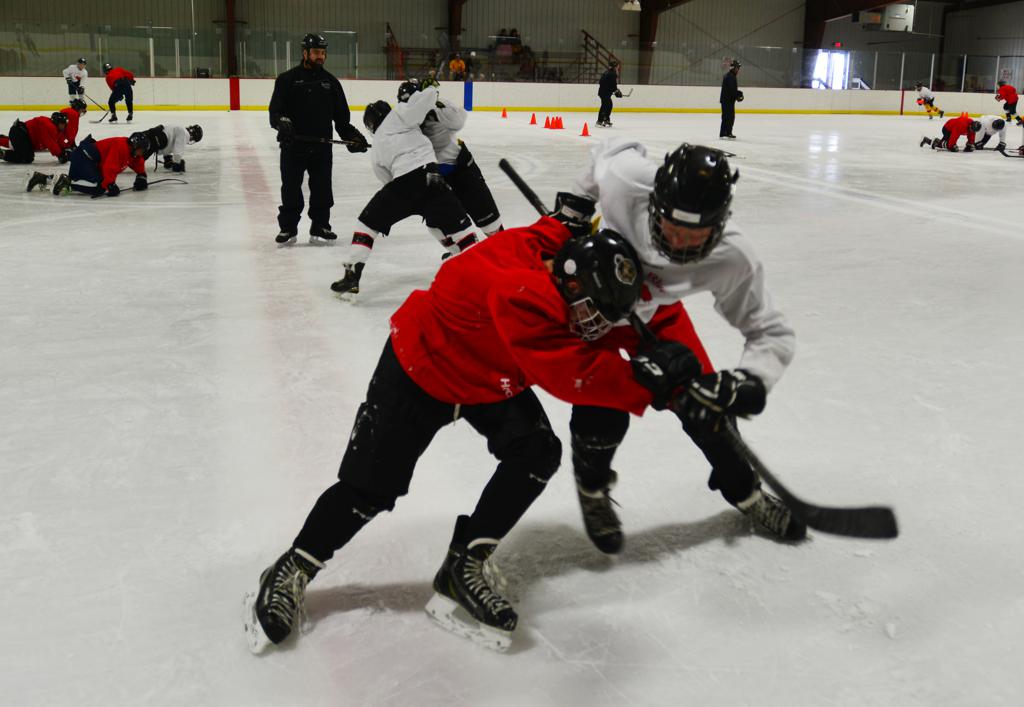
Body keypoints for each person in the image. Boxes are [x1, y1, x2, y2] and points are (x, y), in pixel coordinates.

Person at [244, 220, 650, 654]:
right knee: (367, 491)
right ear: (567, 280)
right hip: (421, 369)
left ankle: (464, 566)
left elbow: (543, 233)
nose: (594, 325)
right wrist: (653, 380)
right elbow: (574, 376)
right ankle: (293, 566)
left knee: (536, 452)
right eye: (591, 310)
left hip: (486, 378)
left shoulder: (549, 263)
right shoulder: (517, 293)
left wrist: (563, 223)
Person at [558, 137, 802, 554]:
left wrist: (749, 382)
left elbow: (770, 331)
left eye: (697, 234)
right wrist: (578, 204)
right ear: (655, 202)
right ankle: (593, 488)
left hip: (659, 316)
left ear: (721, 222)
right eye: (671, 226)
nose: (679, 243)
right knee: (603, 404)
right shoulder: (626, 182)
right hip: (596, 306)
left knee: (710, 410)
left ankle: (746, 493)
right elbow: (612, 148)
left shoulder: (733, 257)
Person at [328, 84, 478, 296]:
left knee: (367, 224)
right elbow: (426, 99)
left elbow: (386, 180)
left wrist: (399, 200)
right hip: (432, 177)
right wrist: (430, 88)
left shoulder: (379, 144)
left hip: (402, 185)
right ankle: (480, 270)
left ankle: (352, 276)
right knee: (459, 230)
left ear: (370, 125)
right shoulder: (399, 114)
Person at [269, 32, 369, 246]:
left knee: (323, 188)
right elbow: (275, 113)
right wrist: (282, 122)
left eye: (323, 53)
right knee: (290, 189)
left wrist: (352, 136)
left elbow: (342, 120)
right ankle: (288, 228)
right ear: (305, 53)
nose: (320, 56)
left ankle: (321, 226)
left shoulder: (330, 83)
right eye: (316, 52)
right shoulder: (287, 80)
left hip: (322, 147)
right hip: (293, 146)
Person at [396, 78, 504, 238]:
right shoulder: (402, 118)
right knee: (447, 222)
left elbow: (459, 120)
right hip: (436, 177)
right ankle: (463, 249)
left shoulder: (437, 107)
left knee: (488, 219)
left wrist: (436, 108)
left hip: (462, 169)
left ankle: (502, 248)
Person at [32, 132, 150, 196]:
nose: (142, 152)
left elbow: (137, 162)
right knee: (98, 187)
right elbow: (109, 167)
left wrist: (142, 176)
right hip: (83, 158)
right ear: (135, 146)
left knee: (84, 181)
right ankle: (67, 182)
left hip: (86, 159)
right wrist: (110, 184)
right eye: (142, 149)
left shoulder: (132, 151)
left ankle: (42, 178)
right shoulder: (121, 147)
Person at [0, 112, 68, 164]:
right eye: (62, 124)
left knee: (15, 145)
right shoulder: (49, 126)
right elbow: (51, 143)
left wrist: (64, 147)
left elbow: (57, 140)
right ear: (56, 122)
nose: (64, 126)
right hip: (20, 133)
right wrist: (60, 154)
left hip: (20, 133)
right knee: (27, 158)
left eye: (64, 124)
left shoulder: (55, 128)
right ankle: (2, 154)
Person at [720, 60, 744, 139]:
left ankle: (724, 133)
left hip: (727, 100)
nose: (738, 70)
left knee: (727, 117)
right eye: (737, 68)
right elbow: (731, 90)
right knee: (729, 117)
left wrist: (737, 93)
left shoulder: (730, 76)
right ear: (733, 68)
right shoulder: (730, 76)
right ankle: (726, 133)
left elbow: (731, 89)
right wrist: (738, 95)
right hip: (727, 100)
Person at [596, 59, 621, 128]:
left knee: (609, 105)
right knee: (605, 106)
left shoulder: (607, 72)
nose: (618, 67)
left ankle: (606, 120)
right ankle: (599, 121)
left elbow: (602, 82)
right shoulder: (613, 74)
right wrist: (616, 91)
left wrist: (614, 90)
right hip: (604, 93)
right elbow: (613, 84)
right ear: (615, 67)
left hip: (603, 92)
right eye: (617, 66)